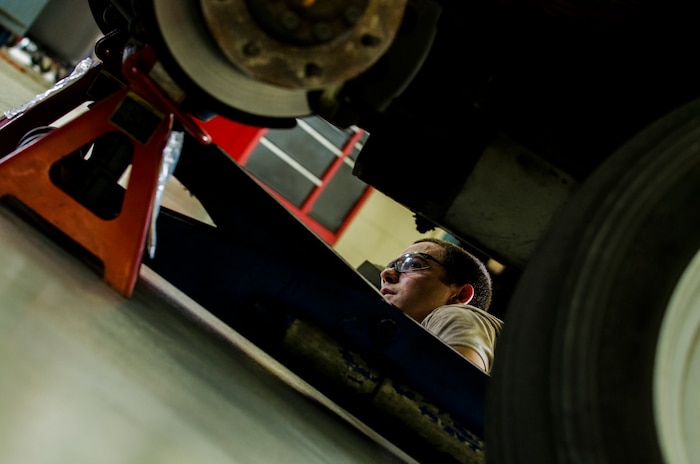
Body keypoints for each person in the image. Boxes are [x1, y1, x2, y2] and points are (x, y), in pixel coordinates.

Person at [380, 237, 503, 372]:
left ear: (461, 295)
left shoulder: (453, 315)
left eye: (414, 265)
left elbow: (454, 386)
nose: (386, 273)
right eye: (391, 265)